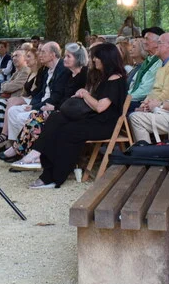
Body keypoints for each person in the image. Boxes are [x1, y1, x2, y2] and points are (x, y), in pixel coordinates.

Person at [23, 42, 128, 188]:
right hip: (95, 119)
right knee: (56, 117)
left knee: (67, 131)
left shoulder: (115, 79)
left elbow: (100, 107)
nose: (94, 60)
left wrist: (84, 94)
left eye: (96, 57)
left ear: (106, 58)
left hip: (104, 125)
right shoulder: (106, 76)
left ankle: (55, 177)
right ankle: (37, 155)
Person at [127, 27, 164, 111]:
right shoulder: (148, 60)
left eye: (147, 39)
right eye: (144, 38)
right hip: (134, 98)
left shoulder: (159, 62)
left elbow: (146, 90)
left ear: (157, 43)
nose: (144, 41)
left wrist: (126, 98)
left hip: (142, 101)